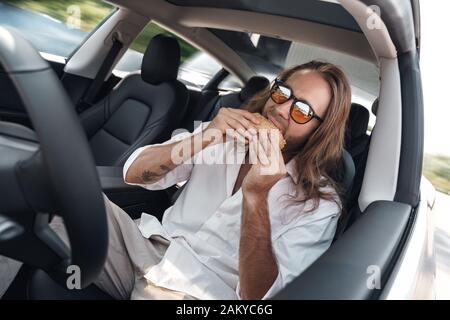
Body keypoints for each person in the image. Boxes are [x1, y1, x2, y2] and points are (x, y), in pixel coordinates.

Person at [0, 60, 351, 300]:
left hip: (201, 293)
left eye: (302, 110)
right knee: (43, 197)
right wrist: (204, 138)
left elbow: (261, 296)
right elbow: (133, 172)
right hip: (147, 248)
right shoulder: (220, 136)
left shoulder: (318, 205)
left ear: (321, 131)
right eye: (282, 93)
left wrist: (256, 197)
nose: (281, 109)